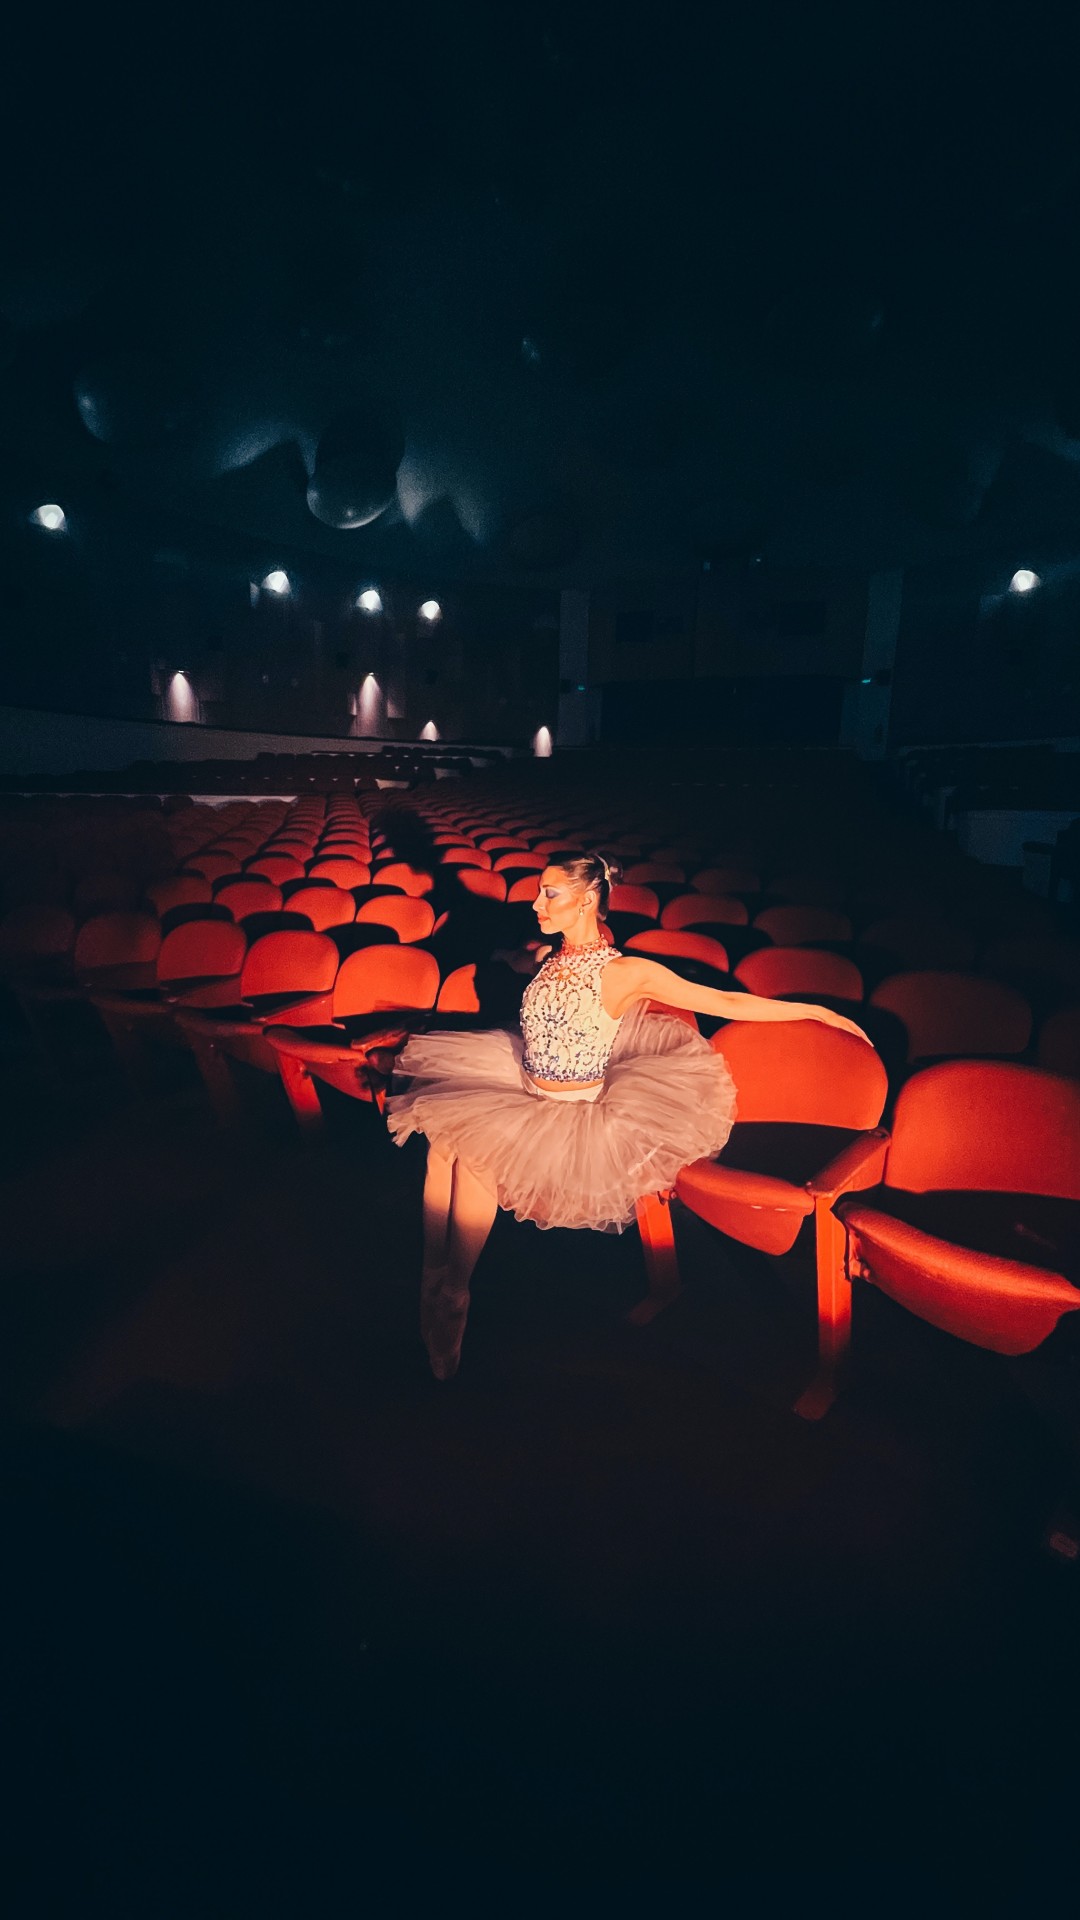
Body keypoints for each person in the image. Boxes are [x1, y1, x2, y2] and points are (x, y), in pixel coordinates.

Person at [385, 852, 871, 1379]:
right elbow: (512, 958)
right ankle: (432, 1272)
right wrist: (506, 957)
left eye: (549, 893)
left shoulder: (625, 971)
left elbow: (722, 1000)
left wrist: (817, 1011)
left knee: (475, 1154)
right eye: (538, 892)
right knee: (442, 1145)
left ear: (587, 898)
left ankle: (455, 1291)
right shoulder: (547, 955)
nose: (536, 903)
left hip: (569, 1110)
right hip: (518, 1084)